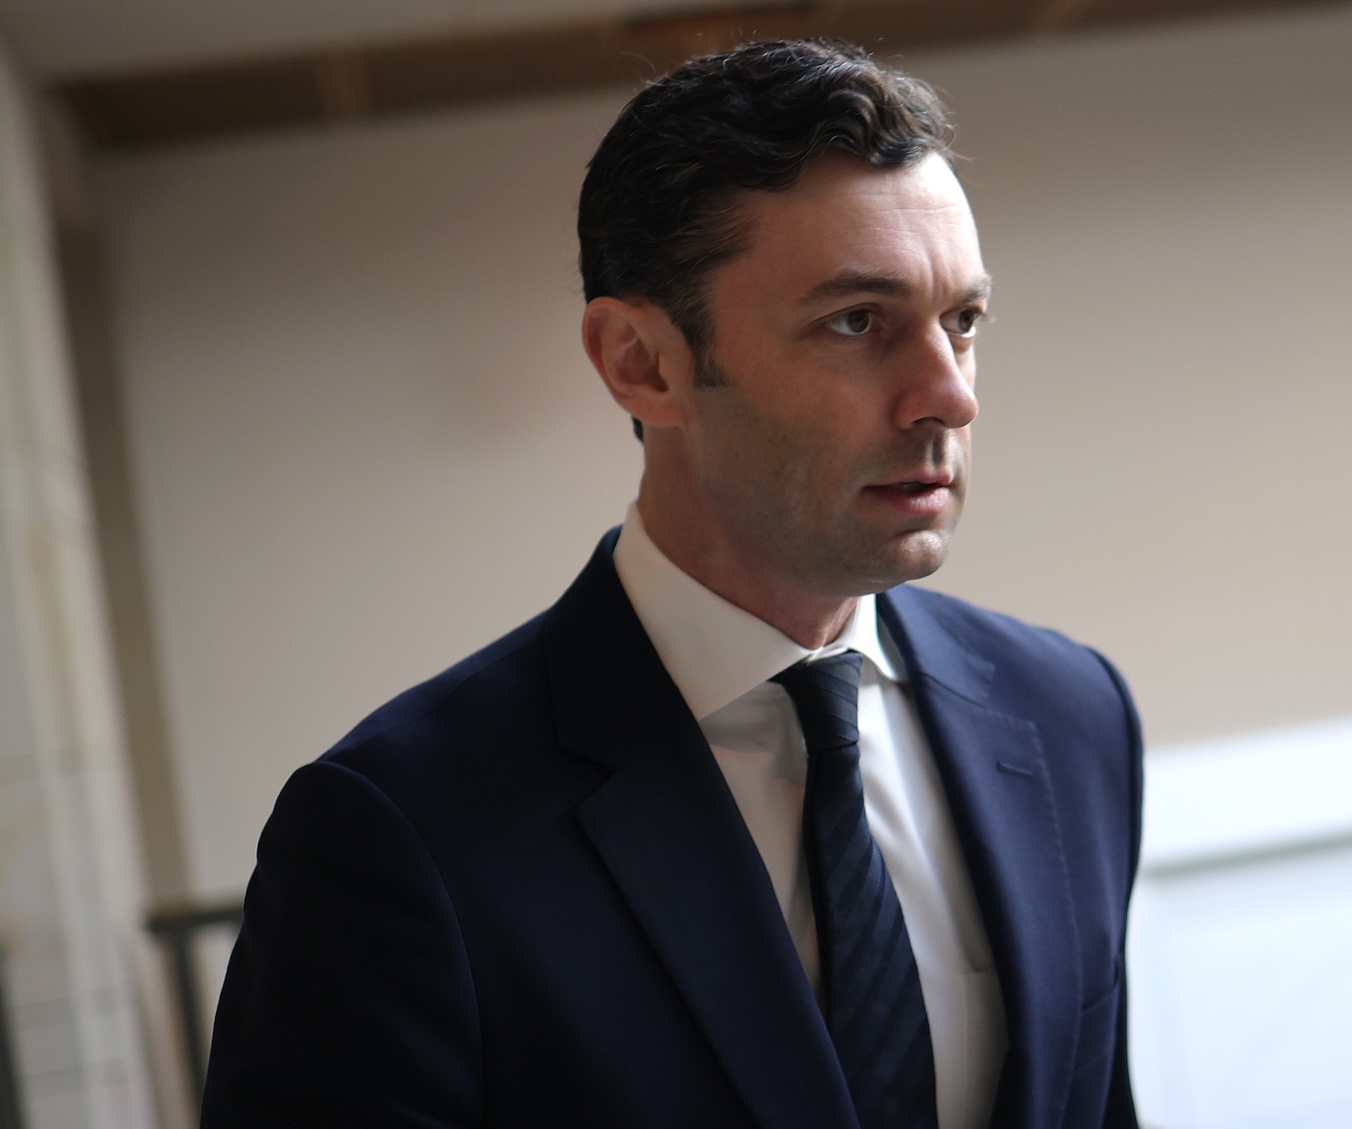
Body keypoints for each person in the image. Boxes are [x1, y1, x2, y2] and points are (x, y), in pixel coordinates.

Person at [203, 37, 1143, 1129]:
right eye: (857, 322)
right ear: (643, 364)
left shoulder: (1072, 718)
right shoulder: (395, 835)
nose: (947, 396)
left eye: (963, 322)